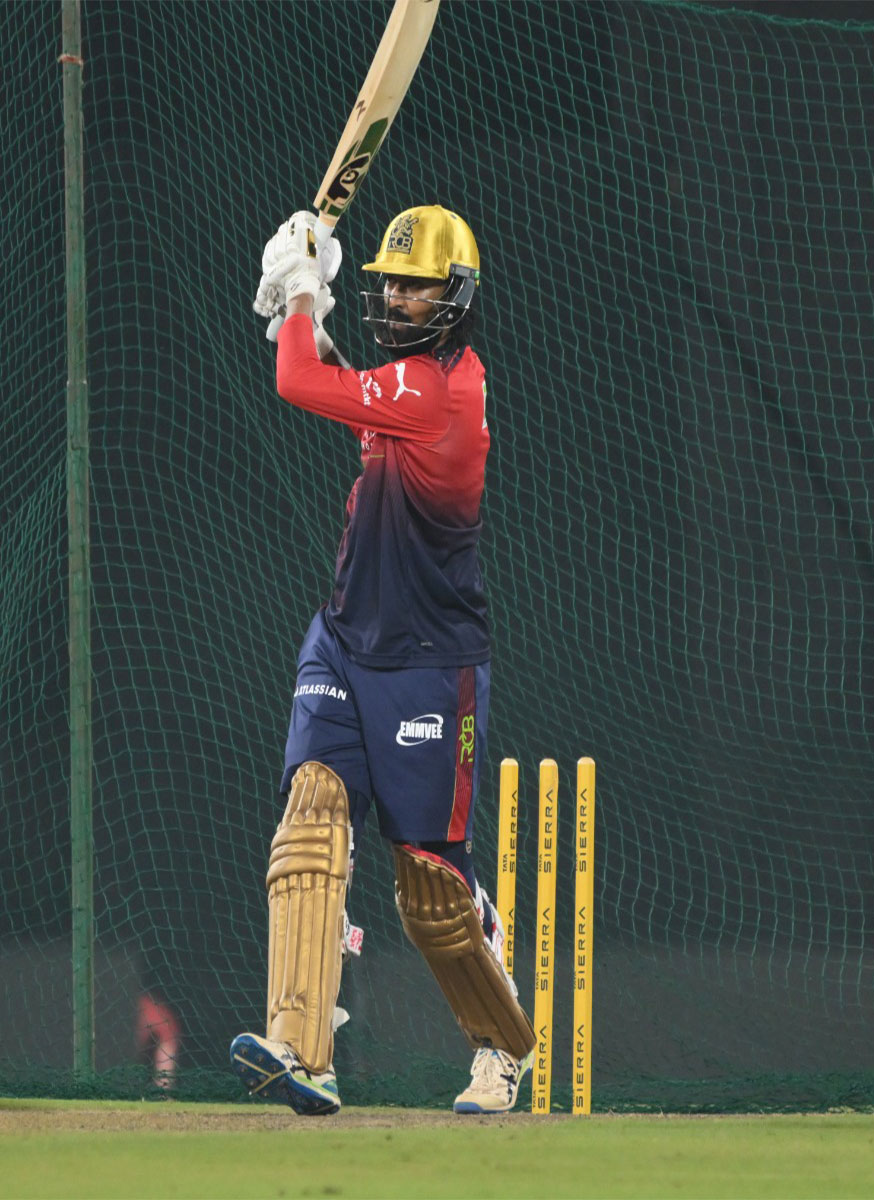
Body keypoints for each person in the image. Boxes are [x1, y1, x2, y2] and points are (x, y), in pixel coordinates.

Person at [228, 205, 535, 1116]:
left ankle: (499, 1048)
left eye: (417, 285)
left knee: (430, 886)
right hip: (344, 637)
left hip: (431, 664)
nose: (397, 297)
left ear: (457, 297)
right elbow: (335, 381)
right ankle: (301, 1044)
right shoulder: (403, 383)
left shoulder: (441, 393)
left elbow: (297, 382)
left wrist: (296, 294)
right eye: (388, 282)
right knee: (311, 818)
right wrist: (310, 308)